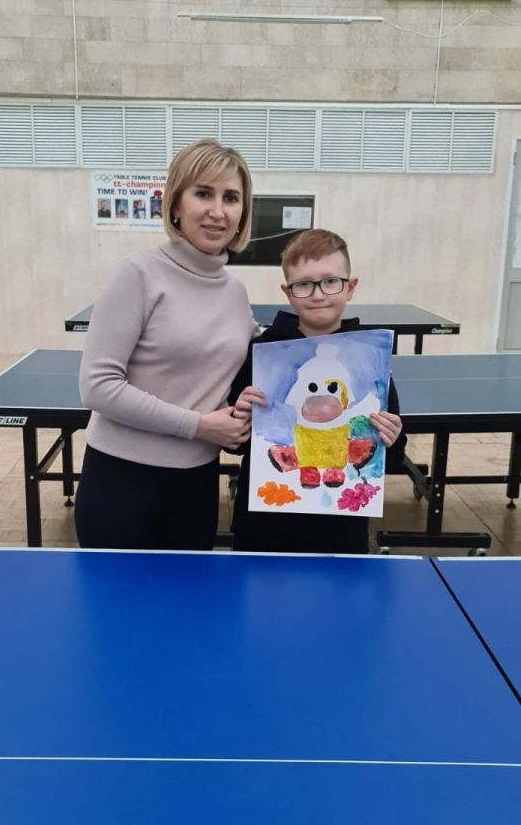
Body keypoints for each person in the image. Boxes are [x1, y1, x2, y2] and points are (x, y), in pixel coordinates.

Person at [75, 139, 258, 551]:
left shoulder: (236, 294)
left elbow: (267, 364)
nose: (218, 211)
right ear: (175, 204)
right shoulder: (136, 275)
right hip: (121, 483)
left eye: (231, 198)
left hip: (196, 487)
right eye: (203, 193)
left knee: (186, 594)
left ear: (242, 212)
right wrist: (199, 426)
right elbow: (97, 386)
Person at [229, 228, 406, 555]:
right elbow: (236, 444)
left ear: (350, 287)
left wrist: (392, 437)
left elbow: (392, 458)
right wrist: (239, 414)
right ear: (288, 292)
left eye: (330, 281)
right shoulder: (261, 352)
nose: (318, 294)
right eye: (304, 284)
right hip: (264, 528)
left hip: (341, 532)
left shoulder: (370, 361)